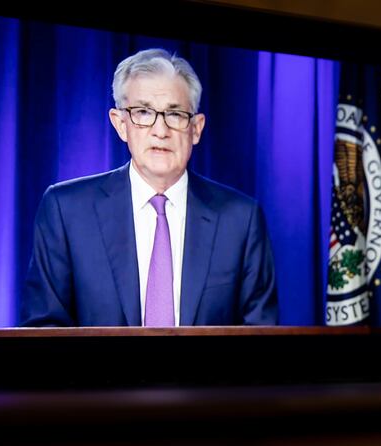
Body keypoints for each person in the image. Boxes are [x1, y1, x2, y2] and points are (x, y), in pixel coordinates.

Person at [20, 48, 277, 327]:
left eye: (175, 114)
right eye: (143, 112)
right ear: (120, 124)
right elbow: (43, 330)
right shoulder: (66, 210)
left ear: (196, 129)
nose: (160, 130)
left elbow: (260, 337)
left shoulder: (241, 219)